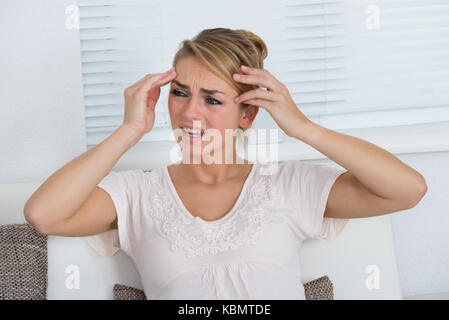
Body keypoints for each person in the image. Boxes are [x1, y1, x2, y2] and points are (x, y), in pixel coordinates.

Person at [23, 28, 427, 300]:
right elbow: (44, 215)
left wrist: (302, 128)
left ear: (247, 114)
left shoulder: (288, 185)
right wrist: (129, 130)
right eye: (180, 93)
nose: (189, 114)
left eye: (212, 99)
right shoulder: (135, 194)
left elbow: (408, 190)